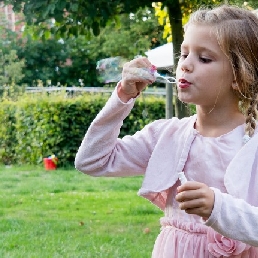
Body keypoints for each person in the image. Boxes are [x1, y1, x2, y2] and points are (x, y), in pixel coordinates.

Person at [75, 4, 258, 258]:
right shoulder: (166, 135)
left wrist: (218, 207)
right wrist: (123, 97)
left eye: (203, 58)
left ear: (239, 76)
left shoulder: (252, 145)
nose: (185, 66)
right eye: (184, 55)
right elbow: (91, 161)